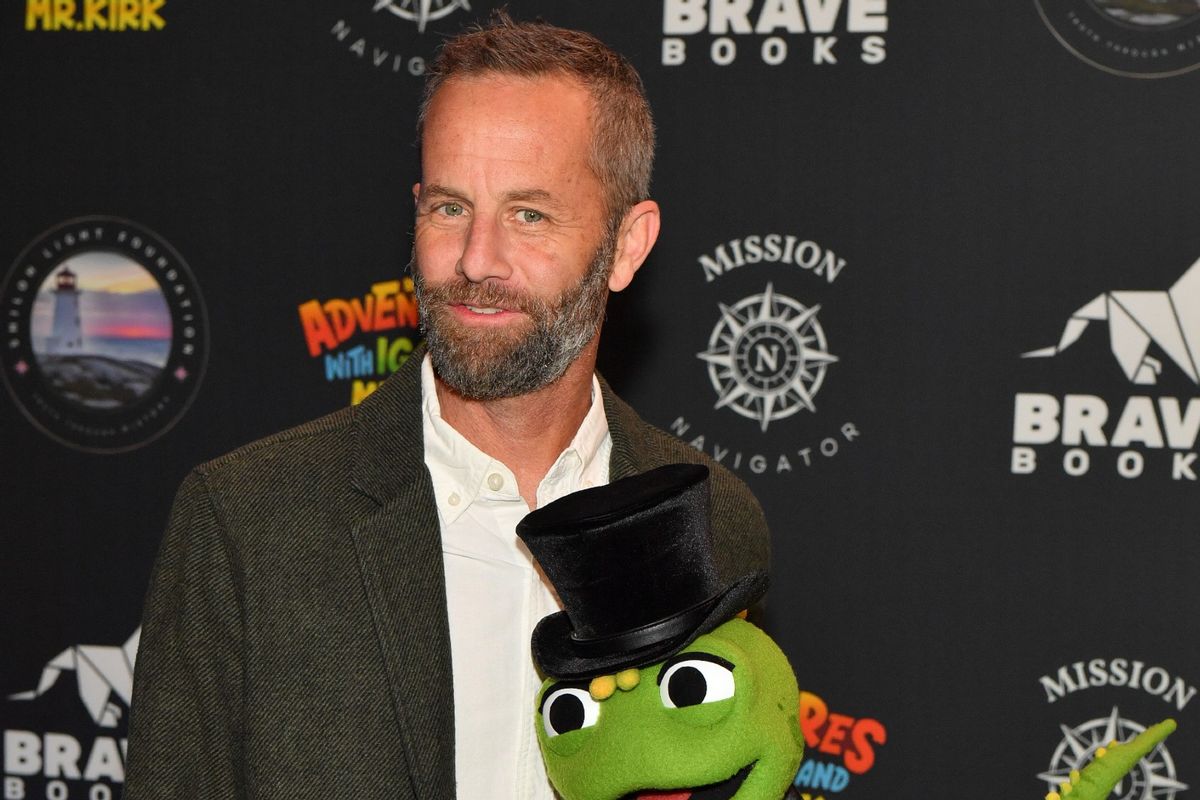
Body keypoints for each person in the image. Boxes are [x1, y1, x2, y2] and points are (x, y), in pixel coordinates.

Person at [123, 15, 769, 800]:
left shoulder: (711, 519)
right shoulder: (250, 525)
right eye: (450, 209)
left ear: (627, 245)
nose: (475, 261)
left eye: (528, 215)